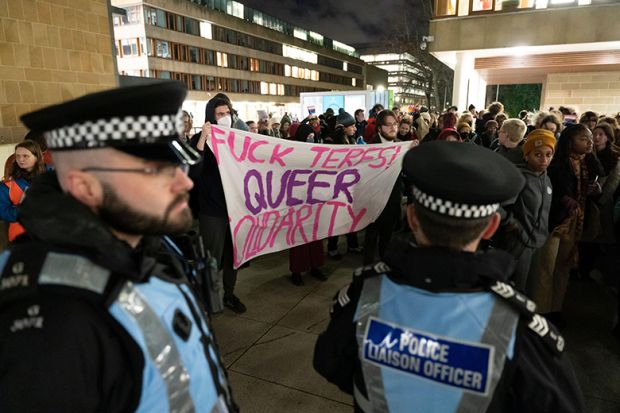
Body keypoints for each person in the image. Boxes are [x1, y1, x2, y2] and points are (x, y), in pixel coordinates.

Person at [0, 82, 238, 412]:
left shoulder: (150, 244)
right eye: (158, 170)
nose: (184, 182)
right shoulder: (55, 323)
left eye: (179, 165)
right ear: (86, 186)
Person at [314, 141, 584, 413]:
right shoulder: (517, 329)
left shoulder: (364, 296)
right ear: (490, 227)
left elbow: (330, 363)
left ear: (412, 218)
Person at [190, 96, 247, 313]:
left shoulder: (237, 138)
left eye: (227, 114)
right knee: (212, 257)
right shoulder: (199, 138)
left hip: (235, 207)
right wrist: (203, 138)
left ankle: (229, 294)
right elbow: (193, 170)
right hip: (211, 209)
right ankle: (210, 298)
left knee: (234, 255)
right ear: (210, 117)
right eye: (219, 114)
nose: (225, 118)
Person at [497, 129, 555, 291]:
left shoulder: (547, 180)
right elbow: (497, 207)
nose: (544, 159)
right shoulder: (519, 178)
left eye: (548, 154)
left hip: (538, 244)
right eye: (538, 154)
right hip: (519, 243)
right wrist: (513, 224)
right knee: (515, 290)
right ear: (527, 155)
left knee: (531, 288)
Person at [363, 110, 403, 265]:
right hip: (373, 201)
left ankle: (384, 267)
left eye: (395, 124)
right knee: (371, 237)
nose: (393, 128)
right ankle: (367, 269)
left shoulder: (401, 145)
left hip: (392, 201)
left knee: (388, 237)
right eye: (388, 125)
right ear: (379, 128)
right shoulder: (370, 148)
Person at [0, 141, 48, 242]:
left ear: (37, 156)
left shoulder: (53, 175)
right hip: (22, 235)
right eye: (18, 156)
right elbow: (2, 211)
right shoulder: (8, 184)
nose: (20, 159)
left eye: (25, 156)